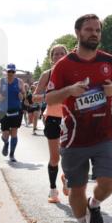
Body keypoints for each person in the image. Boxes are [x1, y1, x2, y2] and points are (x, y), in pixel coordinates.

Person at [46, 14, 112, 223]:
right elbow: (49, 97)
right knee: (76, 188)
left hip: (103, 134)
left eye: (98, 30)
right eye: (89, 29)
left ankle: (95, 204)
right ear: (78, 33)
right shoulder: (64, 65)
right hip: (73, 138)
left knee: (108, 181)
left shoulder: (108, 61)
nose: (94, 34)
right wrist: (69, 90)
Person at [34, 44, 69, 202]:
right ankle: (53, 189)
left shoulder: (71, 73)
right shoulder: (46, 75)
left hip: (70, 118)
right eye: (55, 54)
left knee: (70, 155)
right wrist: (49, 96)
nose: (59, 55)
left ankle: (66, 178)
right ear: (51, 58)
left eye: (62, 53)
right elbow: (35, 97)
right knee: (55, 158)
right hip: (53, 118)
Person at [0, 65, 26, 162]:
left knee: (14, 132)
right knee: (5, 134)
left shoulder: (19, 82)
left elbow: (24, 94)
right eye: (9, 71)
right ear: (6, 72)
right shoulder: (0, 81)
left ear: (15, 72)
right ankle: (6, 143)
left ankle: (12, 154)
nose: (11, 74)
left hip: (16, 110)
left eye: (12, 72)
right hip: (3, 111)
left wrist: (22, 96)